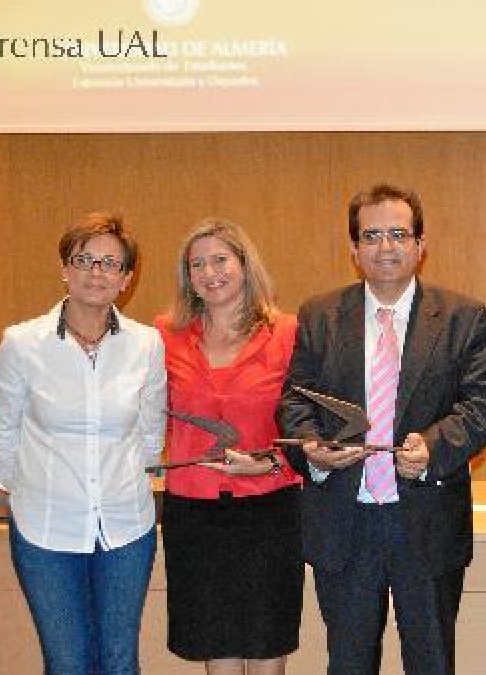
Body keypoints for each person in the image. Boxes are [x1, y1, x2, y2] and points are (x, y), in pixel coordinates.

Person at [277, 183, 486, 675]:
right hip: (344, 519)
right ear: (354, 249)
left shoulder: (462, 317)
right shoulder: (321, 315)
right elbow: (295, 400)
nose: (385, 247)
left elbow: (483, 405)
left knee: (432, 662)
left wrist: (435, 444)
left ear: (421, 246)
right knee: (350, 663)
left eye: (398, 234)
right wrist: (312, 449)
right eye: (371, 235)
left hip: (425, 519)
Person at [0, 212, 166, 674]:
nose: (96, 272)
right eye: (84, 259)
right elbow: (1, 432)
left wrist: (123, 477)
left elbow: (149, 433)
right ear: (65, 269)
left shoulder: (146, 344)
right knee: (67, 663)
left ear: (126, 279)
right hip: (45, 528)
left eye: (110, 263)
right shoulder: (22, 344)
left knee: (119, 661)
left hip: (125, 526)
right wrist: (26, 487)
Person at [155, 218, 304, 675]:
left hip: (267, 510)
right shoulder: (163, 334)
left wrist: (272, 465)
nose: (209, 271)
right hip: (193, 512)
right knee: (213, 642)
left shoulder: (288, 333)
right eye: (196, 263)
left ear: (244, 264)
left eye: (220, 259)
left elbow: (306, 423)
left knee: (265, 644)